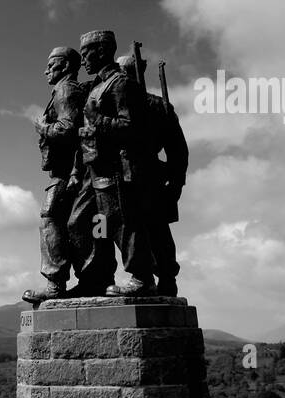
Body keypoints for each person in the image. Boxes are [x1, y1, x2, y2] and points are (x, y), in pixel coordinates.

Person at [66, 29, 155, 297]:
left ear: (103, 51)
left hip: (112, 168)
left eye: (86, 54)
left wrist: (99, 121)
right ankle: (95, 277)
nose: (83, 61)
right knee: (82, 223)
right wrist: (75, 169)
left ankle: (142, 278)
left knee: (120, 222)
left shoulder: (121, 84)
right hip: (91, 169)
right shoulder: (95, 86)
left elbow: (133, 128)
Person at [117, 54, 189, 297]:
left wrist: (176, 182)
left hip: (144, 177)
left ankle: (158, 277)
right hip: (130, 176)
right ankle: (154, 277)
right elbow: (178, 151)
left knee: (151, 229)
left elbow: (177, 150)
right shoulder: (149, 104)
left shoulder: (154, 106)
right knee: (140, 229)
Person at [22, 46, 87, 305]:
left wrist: (42, 127)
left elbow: (67, 129)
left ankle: (55, 284)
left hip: (69, 172)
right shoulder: (67, 89)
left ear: (66, 67)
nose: (46, 70)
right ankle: (83, 279)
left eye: (52, 65)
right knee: (78, 225)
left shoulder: (65, 90)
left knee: (50, 217)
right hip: (73, 171)